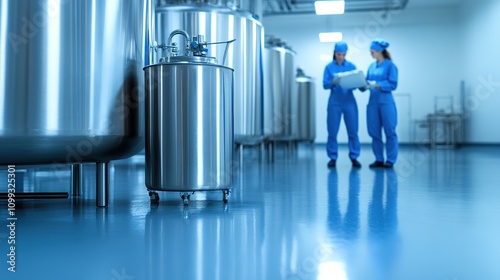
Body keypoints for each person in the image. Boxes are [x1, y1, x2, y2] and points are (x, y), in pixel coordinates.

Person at [322, 41, 361, 168]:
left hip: (349, 102)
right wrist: (334, 81)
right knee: (332, 131)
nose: (341, 57)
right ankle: (332, 157)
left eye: (343, 54)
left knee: (353, 131)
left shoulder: (351, 66)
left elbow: (358, 84)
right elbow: (325, 84)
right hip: (335, 102)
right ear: (334, 53)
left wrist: (359, 81)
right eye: (339, 54)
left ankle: (354, 157)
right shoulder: (329, 67)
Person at [363, 39, 399, 168]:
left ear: (380, 51)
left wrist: (378, 85)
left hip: (386, 102)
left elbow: (393, 84)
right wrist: (360, 84)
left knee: (390, 131)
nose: (371, 54)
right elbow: (366, 82)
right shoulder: (371, 66)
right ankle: (379, 159)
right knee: (374, 132)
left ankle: (390, 160)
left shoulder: (390, 65)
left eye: (372, 51)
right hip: (373, 103)